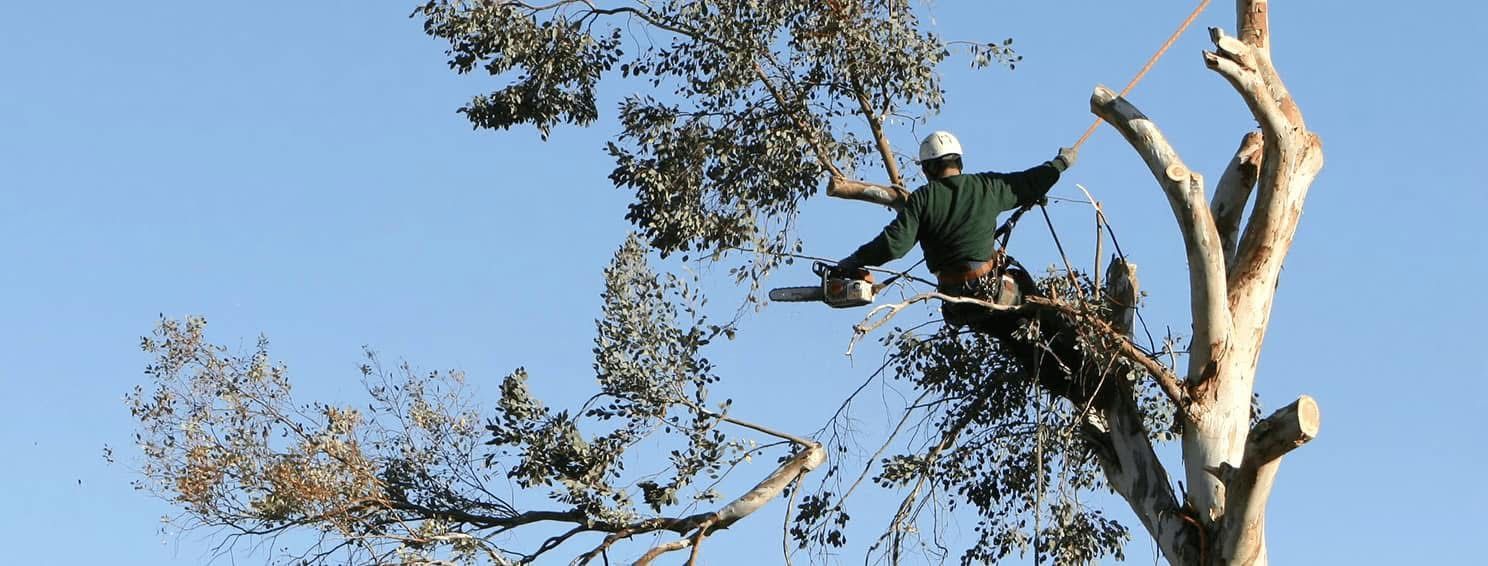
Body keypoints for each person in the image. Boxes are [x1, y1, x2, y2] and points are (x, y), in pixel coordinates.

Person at [834, 131, 1076, 331]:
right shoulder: (985, 186)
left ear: (927, 169)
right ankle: (1069, 339)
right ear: (958, 162)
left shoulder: (922, 199)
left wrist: (855, 260)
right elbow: (1029, 182)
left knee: (1011, 332)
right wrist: (1059, 163)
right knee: (1041, 307)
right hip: (995, 293)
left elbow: (893, 245)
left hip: (958, 305)